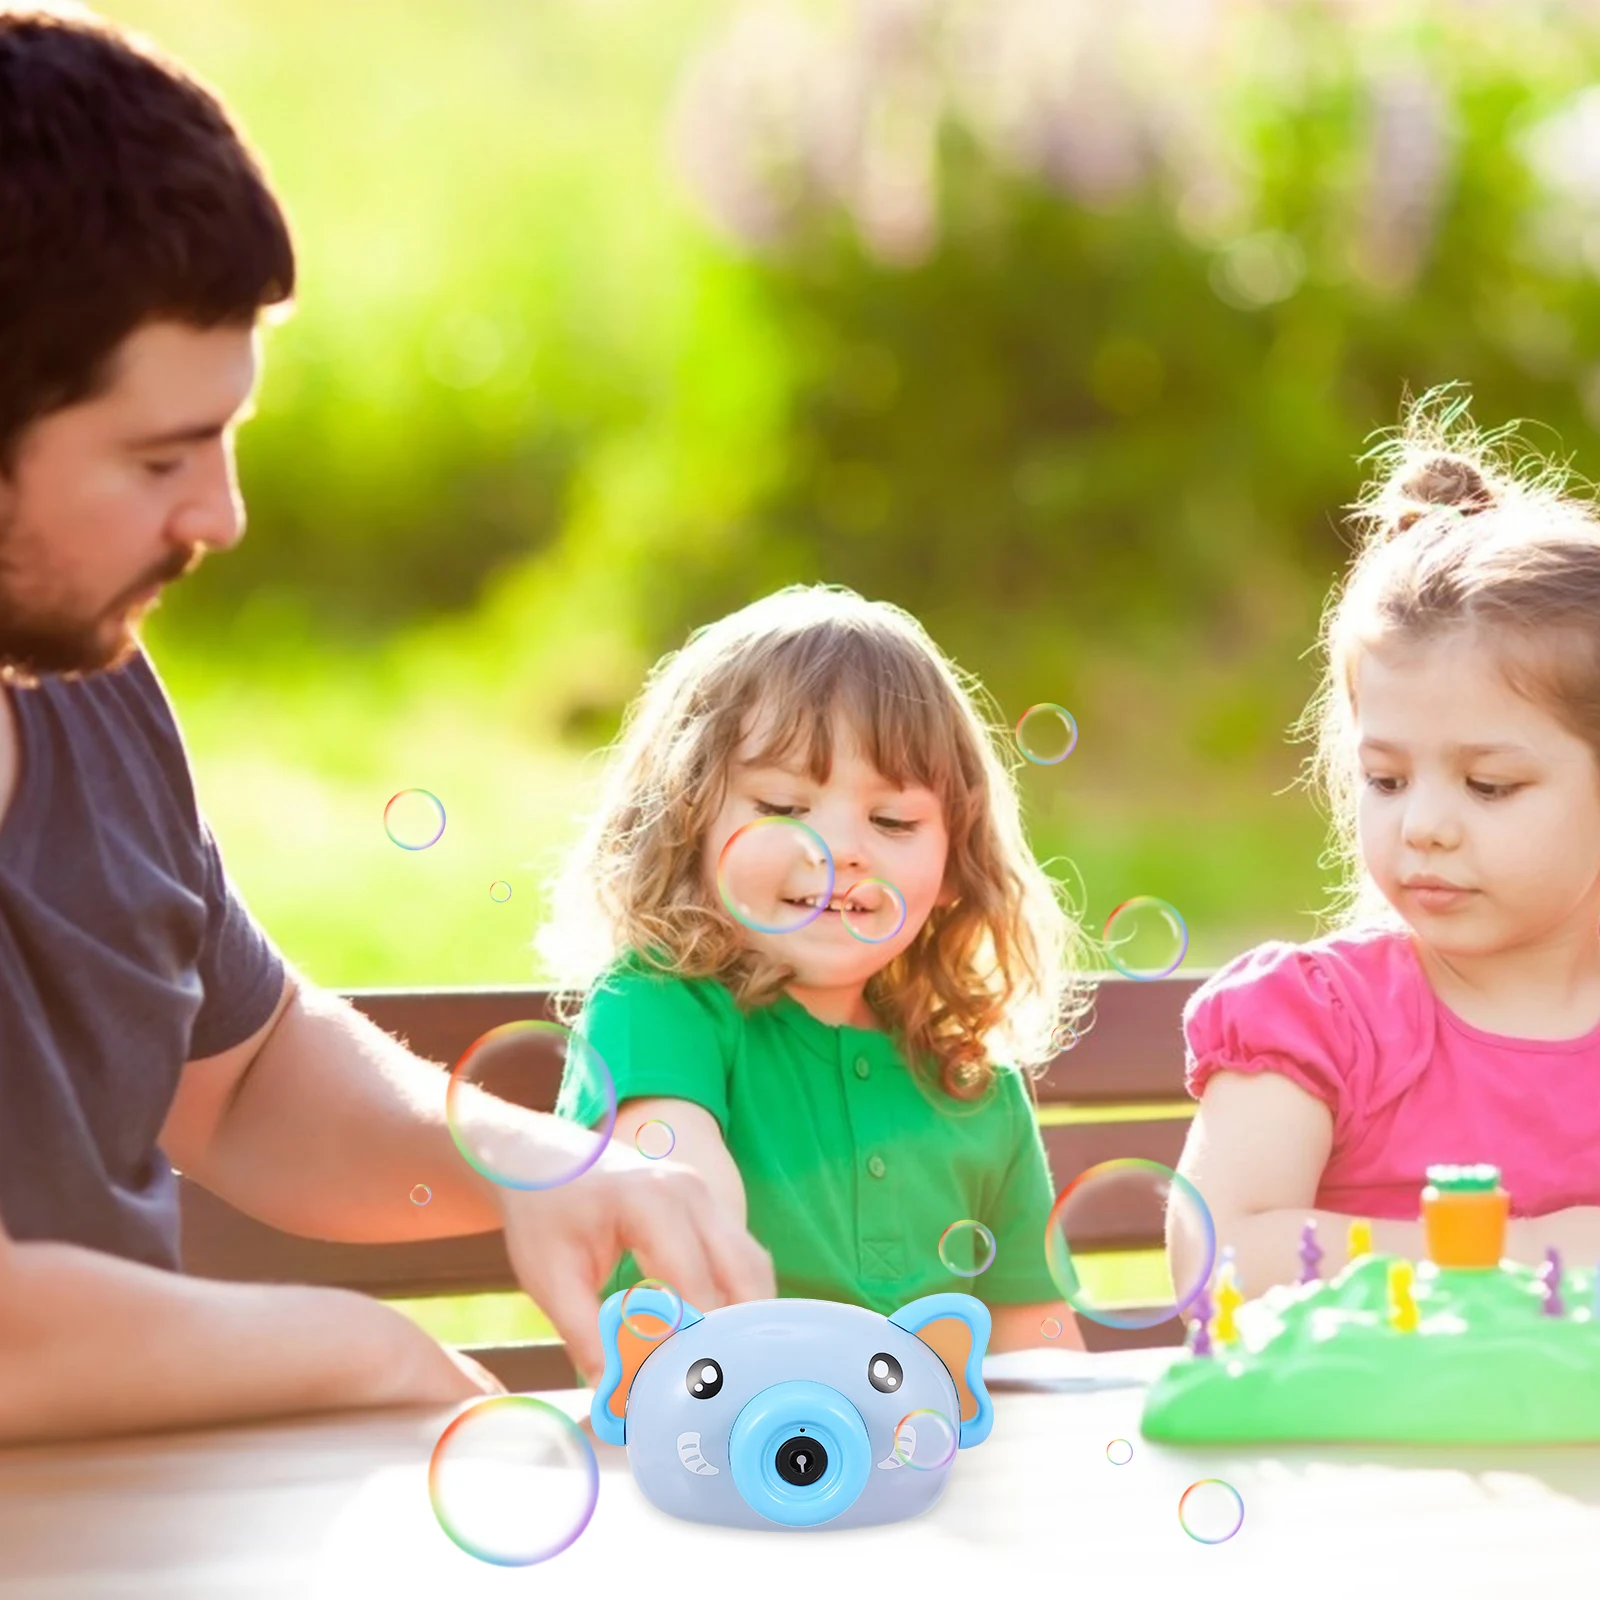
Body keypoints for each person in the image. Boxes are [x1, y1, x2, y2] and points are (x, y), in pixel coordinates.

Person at [0, 4, 773, 1446]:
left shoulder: (83, 681)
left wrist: (532, 1163)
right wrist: (367, 1353)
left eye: (226, 440)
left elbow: (240, 1081)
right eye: (159, 456)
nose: (218, 518)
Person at [543, 583, 1089, 1349]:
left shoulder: (970, 1078)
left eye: (892, 819)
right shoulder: (656, 1009)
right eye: (783, 806)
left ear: (956, 859)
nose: (838, 848)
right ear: (686, 821)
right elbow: (687, 1237)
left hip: (934, 1459)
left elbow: (1042, 1351)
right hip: (714, 1438)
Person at [1172, 388, 1600, 1299]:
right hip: (1349, 1445)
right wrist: (1523, 1254)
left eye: (1489, 785)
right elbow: (1220, 1256)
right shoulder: (1324, 1019)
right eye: (1387, 779)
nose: (1424, 826)